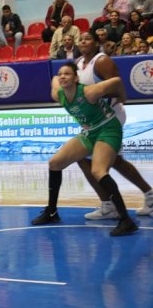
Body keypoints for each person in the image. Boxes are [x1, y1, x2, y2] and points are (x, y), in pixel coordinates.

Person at [31, 62, 137, 236]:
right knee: (55, 162)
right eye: (60, 74)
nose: (62, 76)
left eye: (67, 74)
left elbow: (117, 81)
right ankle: (51, 212)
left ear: (76, 78)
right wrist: (57, 77)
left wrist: (122, 98)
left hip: (108, 128)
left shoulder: (89, 92)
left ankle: (126, 220)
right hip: (90, 131)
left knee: (98, 171)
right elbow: (53, 80)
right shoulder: (59, 94)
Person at [74, 31, 153, 219]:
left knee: (87, 160)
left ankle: (109, 206)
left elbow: (118, 88)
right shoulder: (78, 64)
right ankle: (149, 196)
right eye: (81, 39)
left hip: (111, 117)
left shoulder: (102, 62)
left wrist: (94, 96)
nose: (84, 41)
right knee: (114, 161)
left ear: (96, 43)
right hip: (95, 120)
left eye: (88, 39)